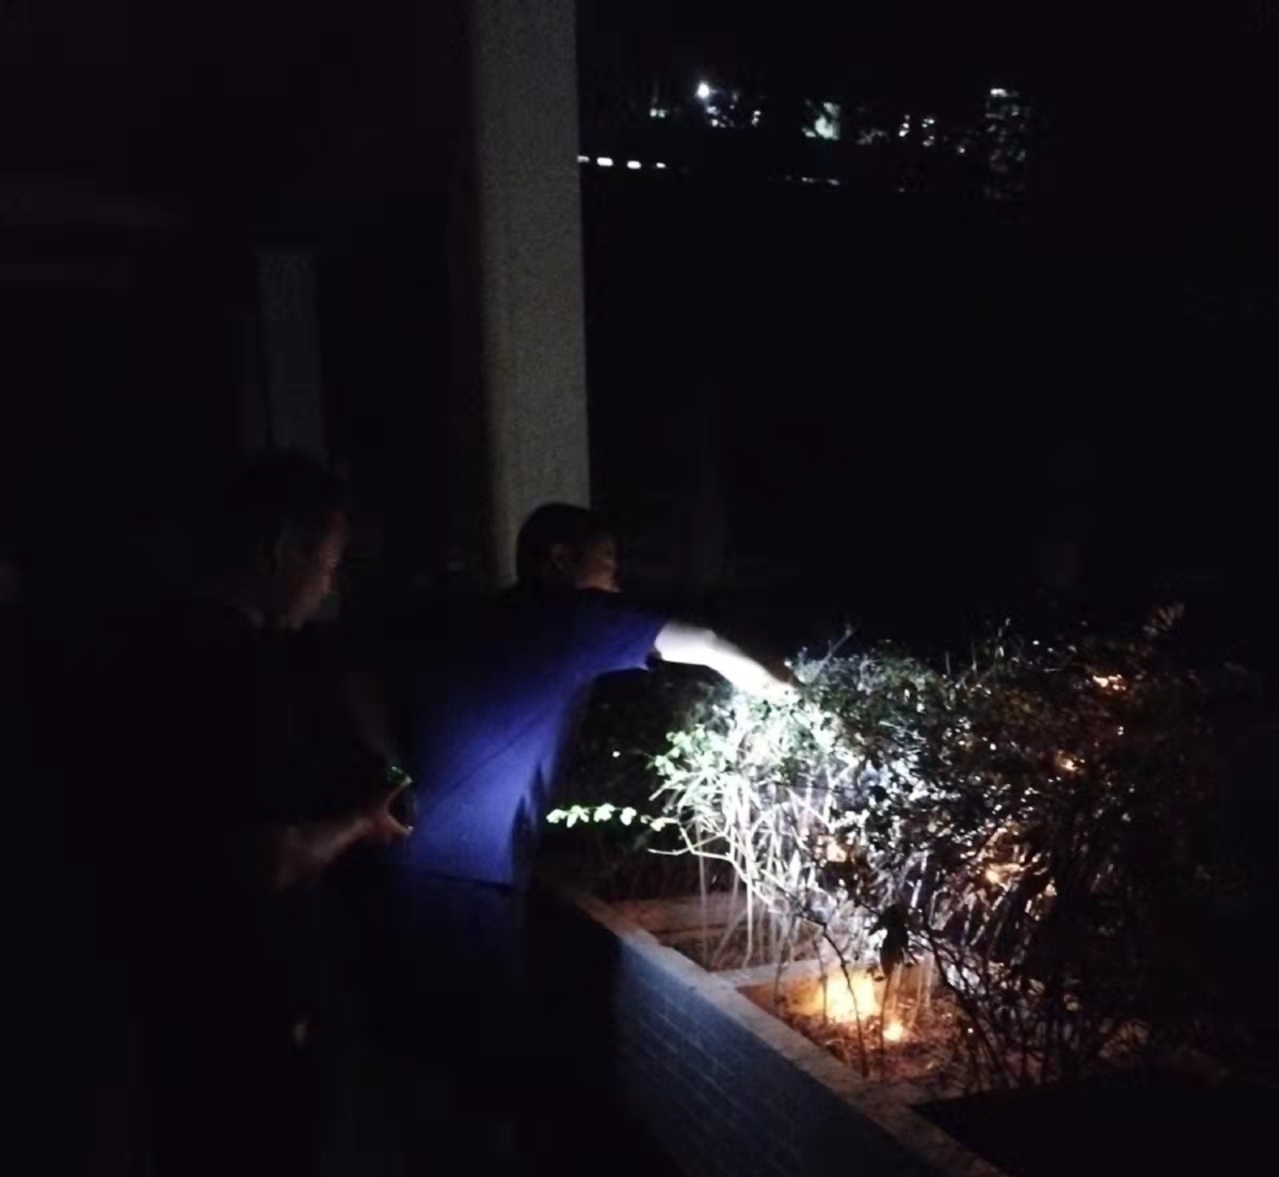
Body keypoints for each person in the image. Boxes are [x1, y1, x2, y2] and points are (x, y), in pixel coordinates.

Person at [388, 503, 792, 1169]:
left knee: (434, 1063)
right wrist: (792, 698)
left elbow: (358, 678)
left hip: (408, 858)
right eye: (607, 568)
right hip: (470, 876)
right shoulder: (569, 617)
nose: (615, 586)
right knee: (484, 1069)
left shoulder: (478, 615)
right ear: (561, 563)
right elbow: (706, 643)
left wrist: (393, 770)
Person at [54, 453, 410, 1176]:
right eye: (328, 565)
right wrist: (360, 821)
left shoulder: (140, 648)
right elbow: (271, 857)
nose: (329, 586)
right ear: (284, 549)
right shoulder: (244, 673)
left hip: (160, 989)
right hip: (245, 1001)